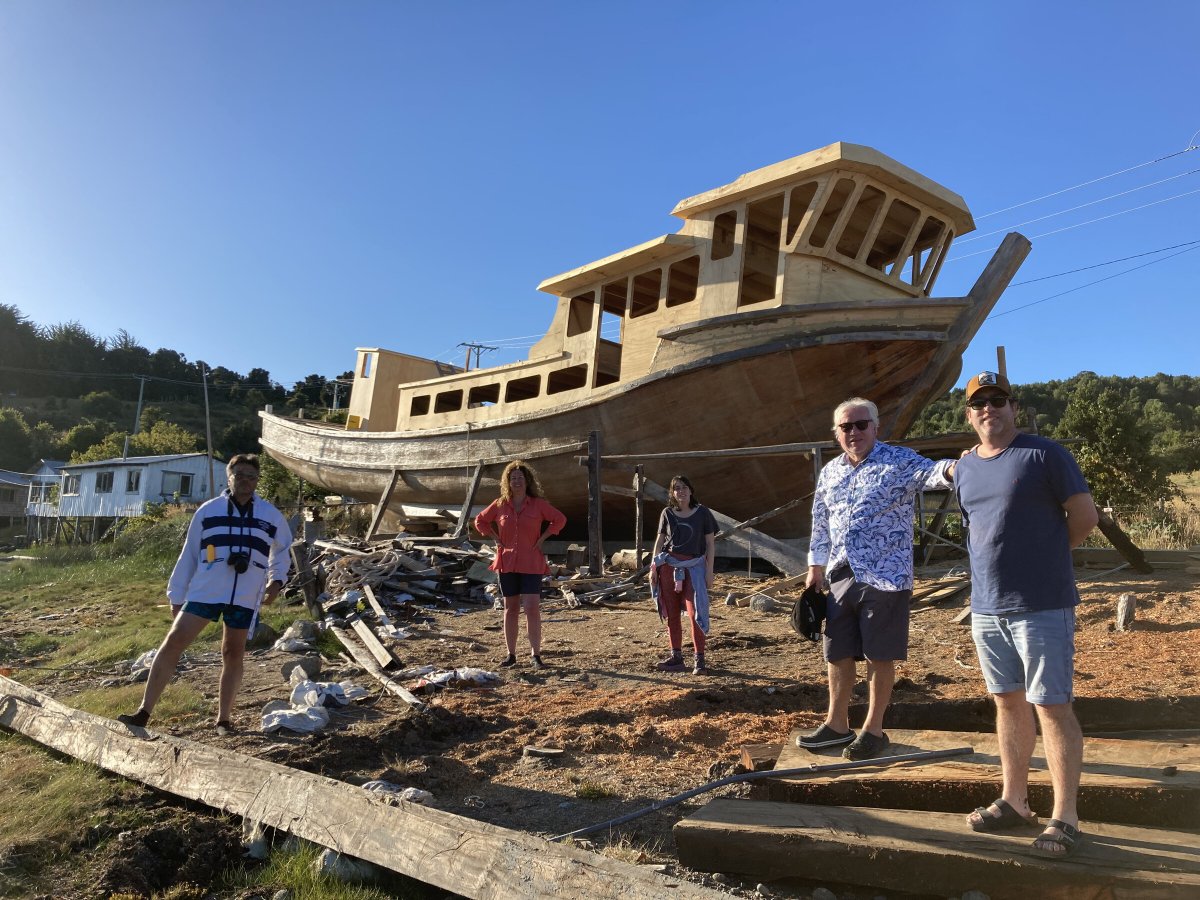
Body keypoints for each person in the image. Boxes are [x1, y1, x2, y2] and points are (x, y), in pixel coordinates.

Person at [954, 371, 1097, 858]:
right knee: (1008, 703)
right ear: (969, 415)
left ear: (1014, 409)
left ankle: (1065, 816)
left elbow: (1084, 517)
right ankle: (1014, 802)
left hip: (1041, 604)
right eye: (979, 403)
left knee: (1052, 706)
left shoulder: (1045, 454)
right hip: (987, 607)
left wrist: (1048, 559)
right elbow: (977, 530)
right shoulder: (967, 467)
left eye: (998, 400)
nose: (988, 409)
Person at [799, 397, 956, 760]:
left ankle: (873, 729)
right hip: (841, 573)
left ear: (876, 426)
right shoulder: (831, 471)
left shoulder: (898, 461)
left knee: (878, 654)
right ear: (836, 433)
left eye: (861, 424)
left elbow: (933, 472)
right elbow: (820, 520)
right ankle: (837, 725)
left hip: (885, 575)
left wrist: (961, 467)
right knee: (837, 651)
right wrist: (815, 565)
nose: (854, 432)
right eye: (846, 427)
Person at [117, 454, 292, 735]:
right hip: (206, 590)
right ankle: (143, 711)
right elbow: (189, 554)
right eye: (240, 474)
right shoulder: (208, 511)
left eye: (252, 476)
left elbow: (282, 551)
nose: (246, 480)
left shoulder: (270, 515)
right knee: (173, 642)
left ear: (257, 481)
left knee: (233, 652)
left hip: (245, 594)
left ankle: (224, 719)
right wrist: (176, 593)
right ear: (229, 477)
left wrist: (277, 581)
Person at [474, 460, 567, 669]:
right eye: (512, 478)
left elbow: (559, 519)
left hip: (531, 562)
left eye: (520, 478)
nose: (516, 481)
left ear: (527, 481)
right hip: (506, 562)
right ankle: (511, 654)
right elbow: (480, 520)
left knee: (532, 608)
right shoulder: (500, 504)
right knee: (510, 608)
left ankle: (535, 655)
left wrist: (543, 538)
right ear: (508, 482)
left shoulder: (538, 504)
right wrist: (494, 538)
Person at [649, 475, 718, 675]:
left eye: (685, 487)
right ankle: (676, 657)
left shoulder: (703, 513)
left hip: (695, 568)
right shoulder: (667, 513)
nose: (681, 491)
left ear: (691, 490)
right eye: (677, 488)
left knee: (696, 613)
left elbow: (710, 544)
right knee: (671, 613)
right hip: (669, 567)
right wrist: (654, 568)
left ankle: (700, 660)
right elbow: (660, 541)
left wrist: (709, 572)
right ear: (672, 493)